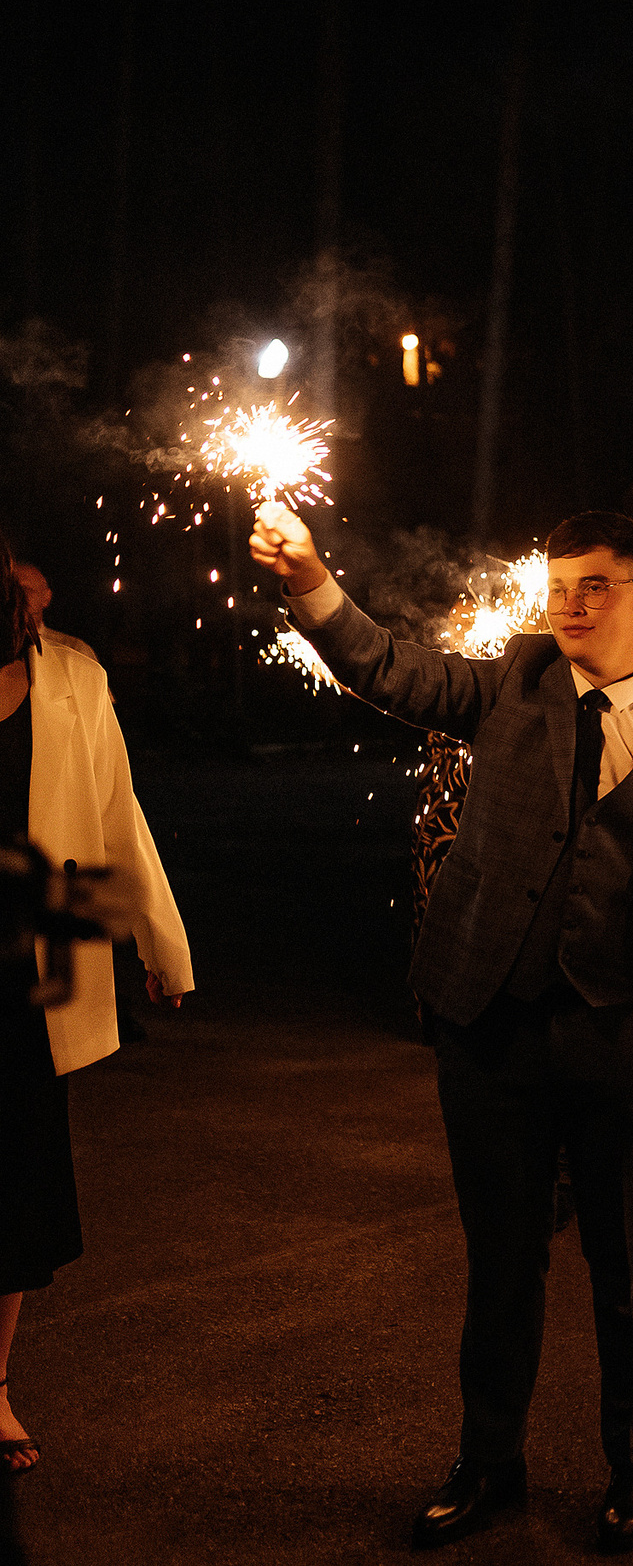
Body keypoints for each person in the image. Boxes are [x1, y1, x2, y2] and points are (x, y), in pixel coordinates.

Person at [250, 503, 633, 1552]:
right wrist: (310, 577)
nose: (571, 605)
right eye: (560, 584)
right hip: (491, 1027)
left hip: (631, 1040)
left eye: (597, 586)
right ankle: (488, 1461)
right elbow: (388, 670)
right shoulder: (513, 681)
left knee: (630, 1272)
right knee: (499, 1262)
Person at [0, 532, 191, 1478]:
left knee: (17, 1181)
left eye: (28, 590)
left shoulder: (73, 678)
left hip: (29, 969)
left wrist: (160, 941)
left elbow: (117, 813)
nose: (27, 607)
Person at [7, 562, 96, 665]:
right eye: (12, 590)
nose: (18, 595)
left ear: (46, 597)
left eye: (27, 590)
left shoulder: (74, 650)